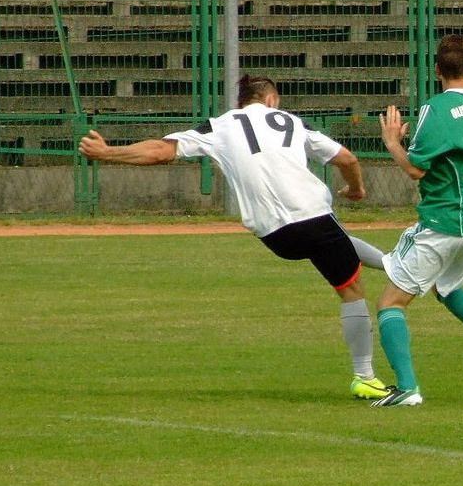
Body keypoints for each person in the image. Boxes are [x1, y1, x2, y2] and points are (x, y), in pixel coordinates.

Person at [78, 74, 392, 399]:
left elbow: (161, 151)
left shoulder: (220, 125)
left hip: (273, 234)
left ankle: (392, 265)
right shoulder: (292, 122)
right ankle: (365, 377)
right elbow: (347, 158)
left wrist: (107, 152)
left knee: (334, 243)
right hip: (312, 214)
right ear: (271, 100)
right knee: (351, 289)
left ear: (241, 103)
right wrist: (356, 189)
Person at [371, 33, 463, 407]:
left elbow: (416, 169)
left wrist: (392, 143)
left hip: (448, 222)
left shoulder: (436, 109)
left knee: (390, 304)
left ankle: (407, 389)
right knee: (446, 285)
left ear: (436, 70)